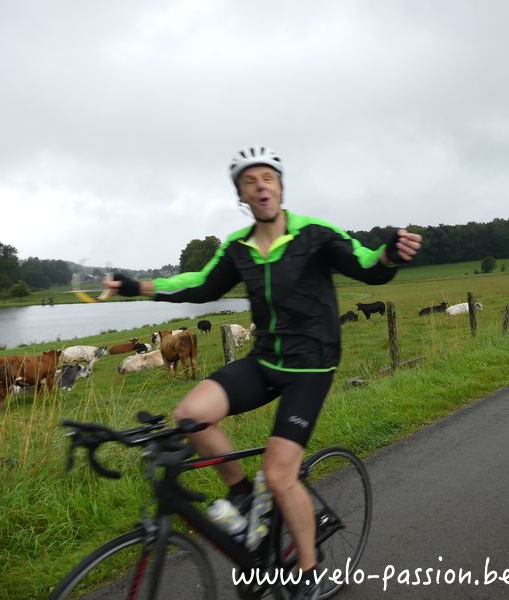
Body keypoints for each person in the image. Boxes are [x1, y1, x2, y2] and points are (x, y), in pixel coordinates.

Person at [103, 146, 422, 600]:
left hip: (311, 367)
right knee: (190, 415)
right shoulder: (239, 247)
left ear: (280, 187)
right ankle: (242, 495)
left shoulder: (314, 234)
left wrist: (390, 254)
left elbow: (365, 264)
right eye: (249, 181)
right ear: (242, 195)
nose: (260, 186)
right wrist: (136, 286)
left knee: (278, 473)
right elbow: (198, 284)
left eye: (267, 178)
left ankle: (307, 573)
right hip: (265, 361)